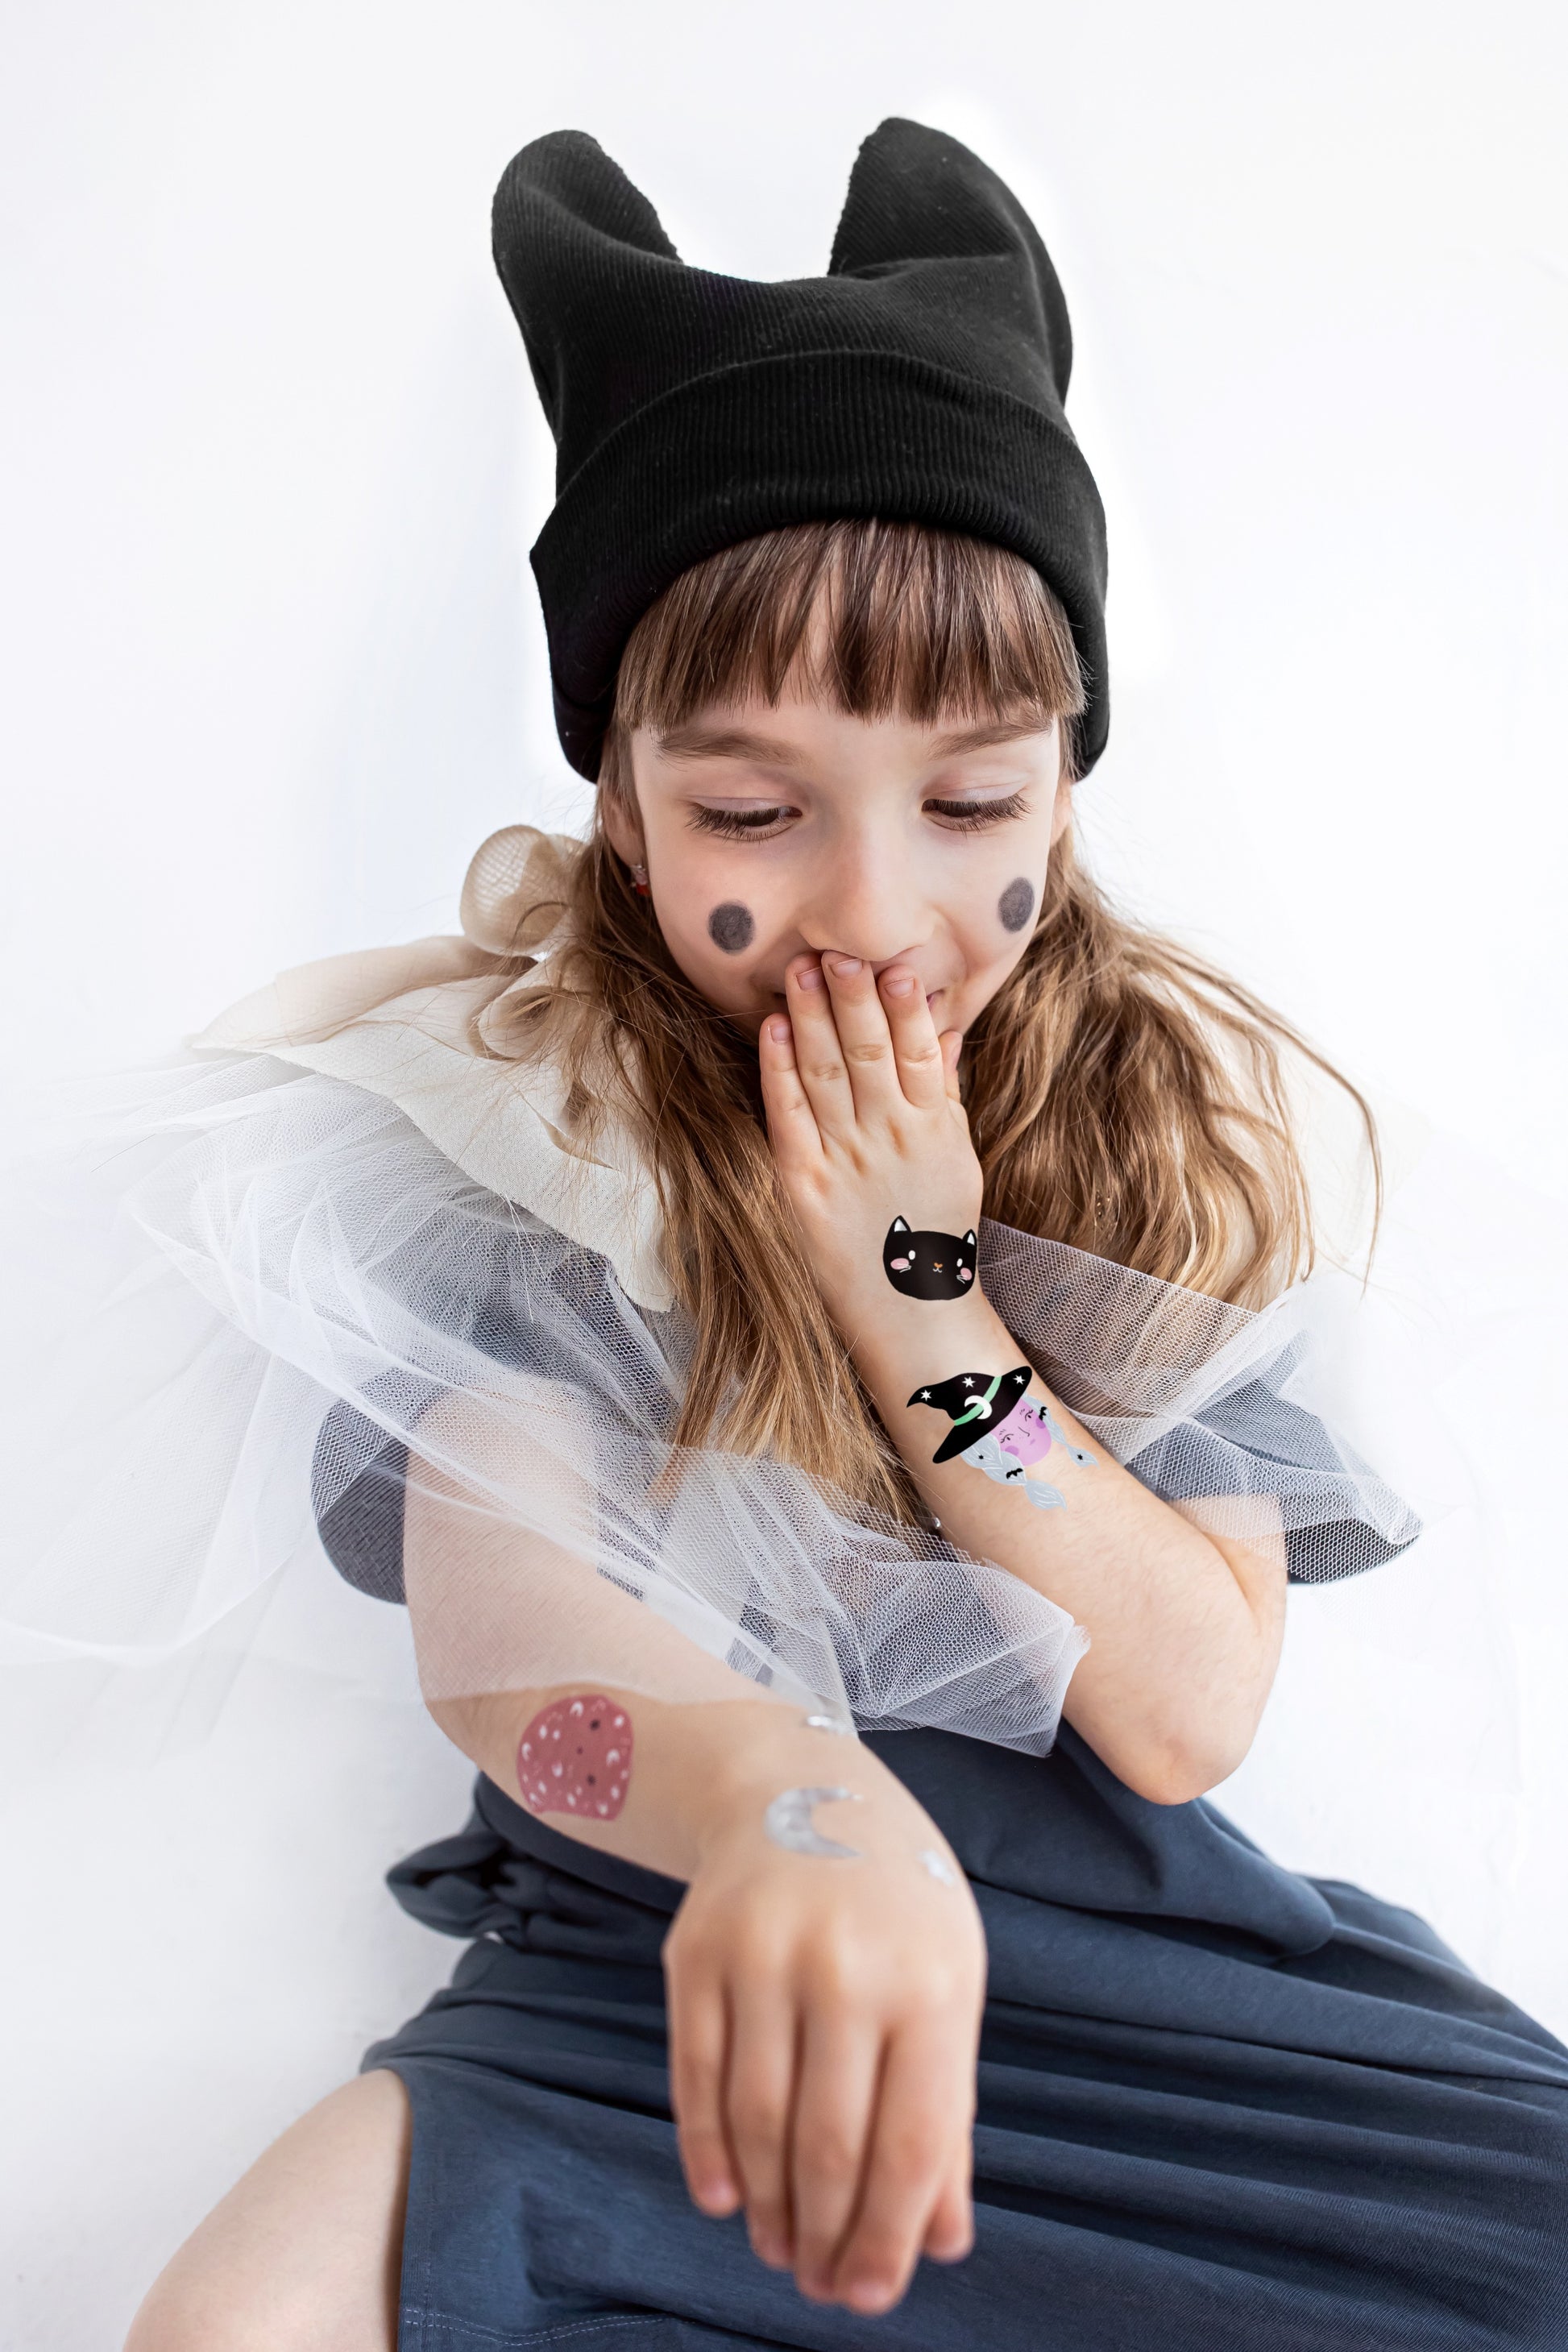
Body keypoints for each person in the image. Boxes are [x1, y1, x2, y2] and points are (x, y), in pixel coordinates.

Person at [87, 119, 1567, 2350]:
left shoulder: (1167, 1122)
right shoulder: (510, 1124)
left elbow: (1181, 1712)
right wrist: (786, 1802)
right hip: (656, 1989)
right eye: (755, 815)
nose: (871, 917)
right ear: (618, 791)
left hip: (1190, 2032)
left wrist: (914, 1284)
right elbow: (514, 1668)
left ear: (1066, 781)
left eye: (968, 803)